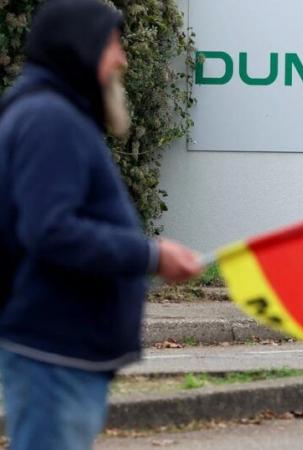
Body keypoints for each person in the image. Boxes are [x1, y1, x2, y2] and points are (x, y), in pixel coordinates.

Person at [0, 1, 203, 448]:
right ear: (82, 46)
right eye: (113, 44)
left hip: (58, 350)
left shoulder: (49, 113)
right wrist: (152, 254)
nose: (123, 59)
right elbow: (50, 230)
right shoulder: (50, 119)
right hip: (53, 352)